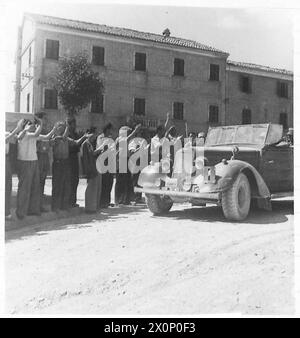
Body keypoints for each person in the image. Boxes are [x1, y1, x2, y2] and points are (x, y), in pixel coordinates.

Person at [16, 117, 56, 219]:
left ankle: (32, 210)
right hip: (25, 162)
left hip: (34, 161)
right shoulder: (24, 134)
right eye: (29, 124)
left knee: (35, 187)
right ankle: (20, 212)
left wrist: (54, 129)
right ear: (24, 125)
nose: (32, 126)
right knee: (24, 188)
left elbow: (46, 137)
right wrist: (40, 124)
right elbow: (21, 137)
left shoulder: (32, 135)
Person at [50, 121, 88, 212]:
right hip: (58, 163)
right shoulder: (55, 137)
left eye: (63, 126)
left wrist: (84, 137)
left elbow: (76, 142)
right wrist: (67, 126)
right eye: (60, 126)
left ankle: (64, 205)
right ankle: (55, 206)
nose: (62, 128)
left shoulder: (67, 138)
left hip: (66, 163)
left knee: (66, 185)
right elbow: (62, 138)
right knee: (57, 185)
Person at [115, 124, 141, 205]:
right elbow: (127, 139)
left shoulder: (126, 141)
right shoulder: (119, 139)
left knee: (127, 181)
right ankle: (118, 200)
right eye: (127, 132)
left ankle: (126, 200)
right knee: (120, 181)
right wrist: (135, 131)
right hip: (121, 161)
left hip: (126, 161)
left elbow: (128, 152)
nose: (128, 133)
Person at [5, 119, 25, 219]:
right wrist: (17, 128)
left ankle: (6, 212)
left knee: (7, 186)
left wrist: (21, 129)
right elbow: (5, 140)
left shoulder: (6, 132)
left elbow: (17, 138)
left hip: (6, 159)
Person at [81, 129, 102, 213]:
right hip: (90, 168)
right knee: (90, 188)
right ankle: (89, 207)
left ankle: (93, 207)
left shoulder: (89, 144)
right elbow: (88, 156)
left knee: (94, 188)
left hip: (93, 167)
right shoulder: (85, 144)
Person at [96, 122, 114, 208]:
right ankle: (102, 202)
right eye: (110, 129)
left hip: (110, 162)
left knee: (109, 182)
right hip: (103, 161)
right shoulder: (101, 137)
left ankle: (107, 201)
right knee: (104, 182)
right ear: (107, 129)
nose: (111, 131)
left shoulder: (110, 138)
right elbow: (101, 148)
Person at [67, 117, 80, 207]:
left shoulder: (75, 134)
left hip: (75, 158)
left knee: (75, 180)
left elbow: (78, 149)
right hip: (68, 158)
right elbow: (74, 143)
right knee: (69, 180)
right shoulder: (67, 134)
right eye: (73, 124)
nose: (75, 126)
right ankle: (68, 201)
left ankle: (73, 201)